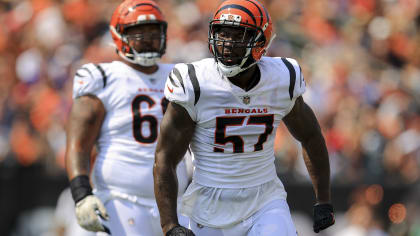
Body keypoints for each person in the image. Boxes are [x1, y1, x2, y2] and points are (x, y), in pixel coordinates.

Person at [153, 0, 335, 235]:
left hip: (265, 201)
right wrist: (169, 226)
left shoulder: (282, 78)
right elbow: (164, 158)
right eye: (222, 33)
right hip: (209, 206)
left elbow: (310, 136)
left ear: (260, 42)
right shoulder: (195, 83)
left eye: (237, 36)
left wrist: (324, 200)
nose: (227, 43)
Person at [65, 0, 191, 235]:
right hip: (122, 201)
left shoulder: (180, 75)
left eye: (154, 32)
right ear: (118, 35)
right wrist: (81, 193)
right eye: (138, 32)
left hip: (176, 202)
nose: (147, 38)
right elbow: (78, 144)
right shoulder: (102, 77)